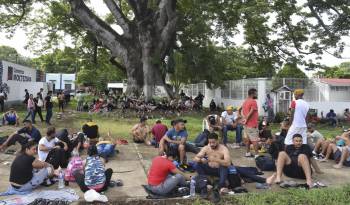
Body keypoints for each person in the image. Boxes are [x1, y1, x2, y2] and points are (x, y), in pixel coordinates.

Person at [241, 88, 259, 157]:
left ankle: (248, 153)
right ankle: (257, 155)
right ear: (252, 94)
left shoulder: (245, 101)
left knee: (248, 139)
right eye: (255, 93)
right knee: (255, 140)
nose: (256, 94)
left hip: (246, 125)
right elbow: (251, 111)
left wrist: (244, 119)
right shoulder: (253, 101)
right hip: (252, 124)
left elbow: (242, 111)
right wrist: (246, 119)